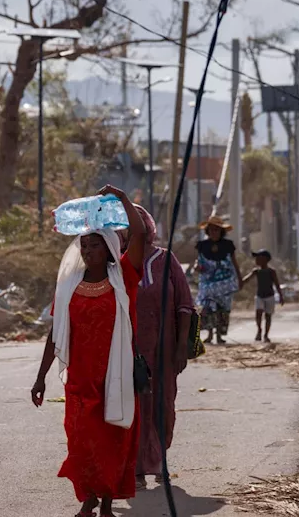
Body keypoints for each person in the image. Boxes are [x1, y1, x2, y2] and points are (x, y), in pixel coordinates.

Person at [32, 184, 147, 517]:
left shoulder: (124, 277)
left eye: (95, 245)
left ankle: (108, 502)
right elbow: (56, 334)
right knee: (81, 441)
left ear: (109, 248)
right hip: (81, 381)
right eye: (84, 245)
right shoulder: (68, 286)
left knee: (112, 440)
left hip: (116, 377)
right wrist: (40, 378)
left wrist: (123, 198)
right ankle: (88, 499)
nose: (88, 251)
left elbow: (138, 235)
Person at [119, 205, 194, 488]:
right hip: (130, 349)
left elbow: (185, 305)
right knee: (136, 407)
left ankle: (160, 460)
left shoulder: (166, 259)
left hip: (164, 348)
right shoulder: (117, 263)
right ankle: (137, 469)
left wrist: (180, 348)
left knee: (164, 403)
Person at [194, 217, 240, 345]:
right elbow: (199, 261)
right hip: (208, 283)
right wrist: (197, 267)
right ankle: (209, 335)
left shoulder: (228, 245)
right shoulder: (202, 245)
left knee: (223, 310)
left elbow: (234, 263)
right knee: (208, 308)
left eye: (217, 230)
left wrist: (239, 279)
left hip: (225, 282)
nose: (214, 232)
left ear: (221, 231)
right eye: (212, 230)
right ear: (208, 231)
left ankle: (219, 335)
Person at [243, 249, 284, 342]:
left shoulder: (271, 271)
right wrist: (239, 283)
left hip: (270, 296)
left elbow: (277, 284)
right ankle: (259, 330)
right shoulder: (256, 271)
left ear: (265, 259)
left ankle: (266, 335)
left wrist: (281, 296)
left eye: (258, 258)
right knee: (258, 313)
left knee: (268, 316)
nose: (256, 260)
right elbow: (246, 279)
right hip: (260, 295)